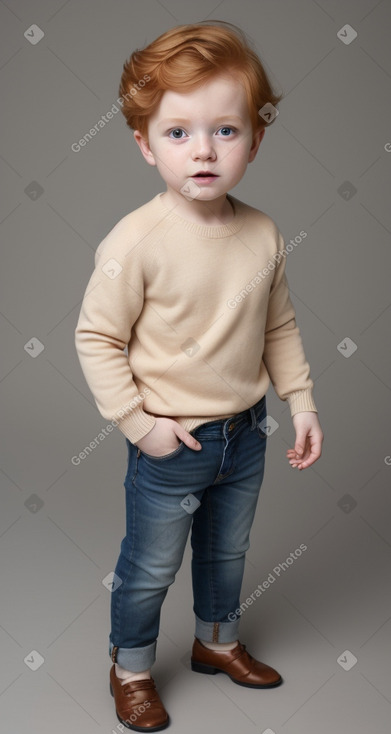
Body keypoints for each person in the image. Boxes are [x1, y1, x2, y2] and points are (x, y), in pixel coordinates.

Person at [74, 20, 324, 731]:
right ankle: (131, 667)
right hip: (171, 443)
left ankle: (217, 643)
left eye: (225, 130)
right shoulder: (136, 241)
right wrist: (137, 423)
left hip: (243, 435)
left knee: (227, 550)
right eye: (178, 132)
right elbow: (96, 336)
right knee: (151, 566)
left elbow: (278, 326)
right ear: (144, 145)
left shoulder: (264, 234)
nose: (204, 150)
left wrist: (300, 402)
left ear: (254, 140)